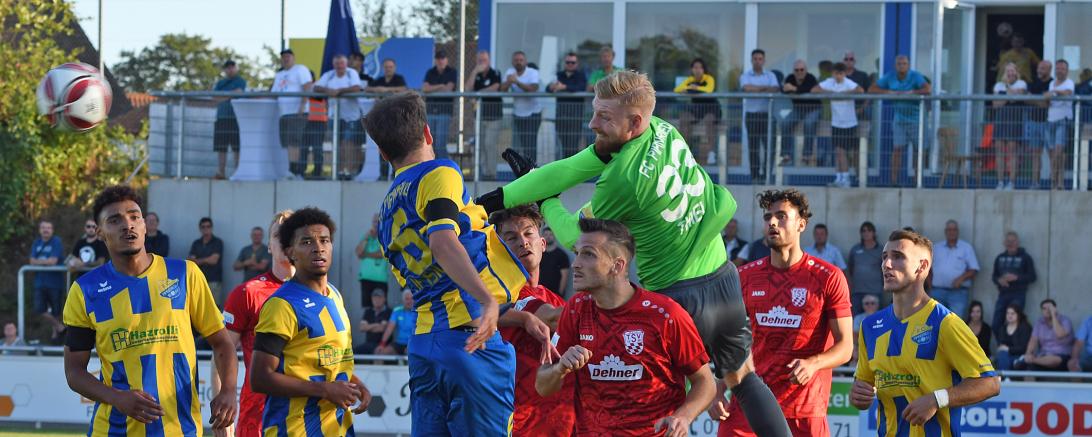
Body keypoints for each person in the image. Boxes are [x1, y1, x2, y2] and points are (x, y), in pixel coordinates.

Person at [479, 70, 791, 437]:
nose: (593, 123)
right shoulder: (662, 129)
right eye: (595, 112)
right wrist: (496, 199)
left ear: (634, 121)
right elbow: (573, 166)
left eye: (603, 117)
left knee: (644, 406)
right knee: (744, 377)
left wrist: (546, 201)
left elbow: (577, 237)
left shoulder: (622, 181)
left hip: (676, 297)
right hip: (722, 278)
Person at [365, 92, 526, 435]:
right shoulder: (440, 171)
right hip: (469, 339)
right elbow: (442, 241)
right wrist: (487, 300)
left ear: (382, 153)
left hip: (425, 341)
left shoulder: (388, 208)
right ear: (428, 133)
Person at [62, 185, 238, 435]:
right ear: (100, 232)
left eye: (134, 216)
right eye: (115, 220)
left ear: (145, 225)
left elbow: (222, 343)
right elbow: (74, 372)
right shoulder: (85, 290)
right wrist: (117, 398)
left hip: (181, 429)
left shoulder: (185, 274)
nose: (128, 225)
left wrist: (229, 390)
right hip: (113, 430)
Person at [536, 219, 715, 437]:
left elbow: (706, 382)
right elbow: (543, 386)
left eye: (588, 254)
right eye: (577, 252)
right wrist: (559, 368)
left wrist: (683, 416)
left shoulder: (666, 314)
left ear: (617, 266)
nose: (575, 263)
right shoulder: (576, 309)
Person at [721, 190, 852, 437]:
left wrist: (813, 364)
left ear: (802, 224)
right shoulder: (744, 277)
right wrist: (717, 385)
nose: (772, 222)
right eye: (768, 216)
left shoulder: (828, 277)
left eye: (781, 216)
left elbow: (845, 347)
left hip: (804, 408)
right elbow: (728, 339)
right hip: (751, 403)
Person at [850, 229, 1000, 436]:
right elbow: (862, 386)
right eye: (885, 257)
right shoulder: (870, 326)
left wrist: (937, 399)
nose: (887, 264)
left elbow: (990, 383)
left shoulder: (945, 323)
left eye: (898, 257)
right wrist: (857, 396)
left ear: (922, 266)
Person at [250, 208, 370, 435]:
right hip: (294, 428)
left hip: (337, 427)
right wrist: (324, 390)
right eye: (306, 242)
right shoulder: (282, 305)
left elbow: (322, 362)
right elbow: (260, 378)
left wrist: (355, 382)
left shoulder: (334, 295)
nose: (318, 247)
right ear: (290, 252)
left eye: (324, 240)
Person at [491, 205, 573, 436]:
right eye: (511, 237)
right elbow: (555, 319)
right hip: (518, 426)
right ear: (500, 250)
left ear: (543, 243)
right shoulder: (502, 296)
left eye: (528, 234)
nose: (523, 242)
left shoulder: (556, 299)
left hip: (563, 423)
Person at [220, 210, 294, 437]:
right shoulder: (247, 293)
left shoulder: (324, 295)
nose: (283, 238)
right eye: (276, 234)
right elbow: (222, 351)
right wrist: (223, 416)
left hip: (305, 414)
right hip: (257, 417)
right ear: (269, 246)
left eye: (290, 234)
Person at [869, 55, 932, 186]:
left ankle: (917, 181)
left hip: (917, 120)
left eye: (904, 64)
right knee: (897, 149)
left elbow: (928, 89)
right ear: (895, 65)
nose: (901, 66)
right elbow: (872, 89)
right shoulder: (890, 76)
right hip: (899, 120)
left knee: (918, 150)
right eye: (899, 64)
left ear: (908, 65)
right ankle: (893, 181)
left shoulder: (915, 76)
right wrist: (889, 92)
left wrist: (912, 92)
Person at [314, 54, 366, 180]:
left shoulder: (351, 73)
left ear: (346, 64)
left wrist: (339, 91)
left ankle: (348, 170)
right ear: (333, 64)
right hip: (334, 116)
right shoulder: (329, 74)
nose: (339, 66)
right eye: (337, 63)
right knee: (336, 144)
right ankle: (338, 170)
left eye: (341, 63)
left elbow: (356, 88)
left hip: (351, 116)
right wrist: (328, 91)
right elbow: (316, 87)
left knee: (349, 144)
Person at [813, 62, 864, 187]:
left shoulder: (848, 83)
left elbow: (860, 90)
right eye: (836, 73)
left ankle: (846, 179)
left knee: (847, 153)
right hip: (836, 123)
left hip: (850, 123)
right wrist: (830, 93)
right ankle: (839, 178)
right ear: (832, 73)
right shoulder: (830, 82)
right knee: (838, 152)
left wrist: (846, 93)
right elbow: (814, 90)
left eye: (841, 73)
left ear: (845, 74)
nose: (838, 76)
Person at [740, 49, 782, 183]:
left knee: (770, 147)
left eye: (760, 59)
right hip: (751, 115)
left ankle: (766, 175)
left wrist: (756, 89)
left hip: (767, 116)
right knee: (753, 147)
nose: (757, 61)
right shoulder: (745, 75)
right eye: (755, 59)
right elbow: (746, 88)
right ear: (751, 60)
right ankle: (755, 176)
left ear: (764, 60)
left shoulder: (770, 75)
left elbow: (775, 89)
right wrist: (764, 89)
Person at [271, 49, 313, 179]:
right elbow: (273, 93)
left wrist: (302, 105)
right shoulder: (279, 74)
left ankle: (296, 171)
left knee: (295, 142)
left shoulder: (300, 69)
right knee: (288, 143)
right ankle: (291, 170)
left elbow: (307, 86)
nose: (286, 59)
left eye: (288, 56)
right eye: (283, 57)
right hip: (284, 113)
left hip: (297, 112)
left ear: (293, 58)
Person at [674, 58, 720, 165]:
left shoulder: (709, 78)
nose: (697, 70)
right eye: (695, 67)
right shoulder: (690, 80)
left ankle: (711, 153)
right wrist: (690, 87)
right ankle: (685, 152)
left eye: (700, 67)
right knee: (684, 118)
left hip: (711, 108)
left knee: (709, 121)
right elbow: (677, 89)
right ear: (692, 69)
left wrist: (696, 88)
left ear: (704, 69)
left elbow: (709, 89)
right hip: (697, 109)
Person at [930, 219, 979, 318]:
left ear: (958, 231)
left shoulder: (966, 248)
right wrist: (929, 286)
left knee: (955, 323)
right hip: (937, 292)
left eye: (954, 230)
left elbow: (974, 269)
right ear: (945, 232)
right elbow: (928, 268)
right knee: (936, 321)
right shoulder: (936, 248)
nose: (951, 232)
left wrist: (960, 279)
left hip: (958, 293)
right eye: (949, 230)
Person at [990, 231, 1036, 335]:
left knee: (1014, 323)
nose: (1010, 243)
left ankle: (1013, 349)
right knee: (996, 324)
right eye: (1008, 241)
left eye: (1013, 241)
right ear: (1004, 243)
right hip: (1003, 294)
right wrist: (999, 280)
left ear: (1018, 242)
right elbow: (994, 276)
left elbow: (1032, 277)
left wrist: (1016, 278)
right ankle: (1002, 346)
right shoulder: (999, 257)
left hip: (1018, 295)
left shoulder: (1025, 257)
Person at [468, 50, 503, 180]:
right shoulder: (476, 75)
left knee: (489, 143)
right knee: (480, 144)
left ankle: (491, 173)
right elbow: (468, 89)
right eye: (480, 60)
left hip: (494, 116)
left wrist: (478, 93)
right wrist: (474, 72)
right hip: (479, 116)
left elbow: (495, 87)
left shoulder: (495, 73)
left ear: (489, 61)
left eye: (484, 60)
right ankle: (483, 172)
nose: (482, 62)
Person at [991, 63, 1027, 190]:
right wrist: (1009, 95)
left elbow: (1013, 99)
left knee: (1013, 152)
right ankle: (1000, 182)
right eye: (1007, 71)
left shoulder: (1021, 83)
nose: (1010, 73)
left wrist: (1006, 91)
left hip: (1014, 120)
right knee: (999, 151)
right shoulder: (998, 85)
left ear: (1017, 72)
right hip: (1000, 120)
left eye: (1012, 71)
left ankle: (1011, 182)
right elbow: (995, 104)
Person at [501, 51, 543, 159]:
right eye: (516, 60)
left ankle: (533, 170)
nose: (518, 62)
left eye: (521, 60)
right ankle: (523, 170)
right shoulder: (510, 72)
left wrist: (516, 82)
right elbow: (502, 90)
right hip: (518, 113)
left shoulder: (532, 72)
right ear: (512, 62)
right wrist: (509, 82)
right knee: (520, 144)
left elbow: (533, 89)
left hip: (533, 113)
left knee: (530, 143)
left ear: (526, 62)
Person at [29, 220, 65, 342]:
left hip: (54, 282)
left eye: (48, 228)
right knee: (39, 308)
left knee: (56, 311)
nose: (46, 230)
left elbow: (53, 261)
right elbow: (31, 261)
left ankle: (56, 338)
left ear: (52, 230)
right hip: (40, 282)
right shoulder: (36, 242)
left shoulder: (56, 241)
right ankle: (60, 327)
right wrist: (45, 262)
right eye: (43, 227)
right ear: (40, 230)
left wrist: (40, 262)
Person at [781, 60, 821, 167]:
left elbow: (809, 89)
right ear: (793, 71)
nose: (799, 72)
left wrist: (794, 89)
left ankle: (807, 155)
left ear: (806, 70)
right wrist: (798, 90)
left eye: (802, 69)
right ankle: (786, 154)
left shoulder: (811, 78)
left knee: (808, 123)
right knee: (785, 123)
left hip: (814, 109)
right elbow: (783, 89)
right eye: (797, 70)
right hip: (798, 109)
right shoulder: (790, 77)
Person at [549, 52, 589, 158]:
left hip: (575, 117)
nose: (570, 64)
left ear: (577, 63)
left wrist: (564, 87)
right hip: (561, 116)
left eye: (573, 62)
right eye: (568, 62)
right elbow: (548, 88)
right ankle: (564, 171)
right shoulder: (559, 75)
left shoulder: (580, 75)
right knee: (563, 146)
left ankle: (572, 172)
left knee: (573, 147)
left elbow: (581, 87)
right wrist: (552, 87)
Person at [1017, 298, 1074, 371]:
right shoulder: (1039, 322)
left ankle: (1032, 360)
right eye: (1044, 308)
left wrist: (1053, 316)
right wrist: (1028, 353)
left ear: (1055, 309)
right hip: (1044, 355)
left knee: (1054, 360)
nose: (1047, 310)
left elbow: (1060, 334)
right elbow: (1033, 340)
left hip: (1061, 356)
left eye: (1049, 308)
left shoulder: (1065, 320)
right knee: (1029, 370)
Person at [213, 59, 247, 179]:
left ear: (236, 68)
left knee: (236, 147)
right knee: (221, 147)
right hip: (221, 118)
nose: (230, 69)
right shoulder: (220, 83)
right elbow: (215, 98)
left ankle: (237, 172)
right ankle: (221, 172)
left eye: (232, 67)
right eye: (228, 67)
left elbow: (239, 92)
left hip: (235, 118)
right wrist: (230, 95)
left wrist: (224, 95)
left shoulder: (240, 81)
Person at [423, 51, 458, 160]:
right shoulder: (430, 72)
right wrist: (441, 86)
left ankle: (444, 167)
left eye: (443, 58)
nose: (440, 61)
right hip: (430, 111)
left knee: (440, 144)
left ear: (446, 60)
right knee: (430, 143)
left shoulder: (452, 71)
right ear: (435, 60)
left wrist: (432, 88)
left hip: (444, 112)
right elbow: (425, 89)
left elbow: (449, 89)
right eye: (438, 58)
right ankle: (432, 168)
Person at [1047, 59, 1075, 190]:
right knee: (1053, 153)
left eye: (1062, 69)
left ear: (1067, 70)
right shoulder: (1051, 83)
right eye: (1058, 68)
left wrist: (1055, 92)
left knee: (1059, 152)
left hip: (1063, 120)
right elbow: (1049, 99)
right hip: (1050, 120)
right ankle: (1054, 181)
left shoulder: (1069, 82)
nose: (1060, 71)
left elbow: (1067, 93)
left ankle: (1059, 181)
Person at [1026, 60, 1053, 189]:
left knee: (1053, 153)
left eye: (1042, 68)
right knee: (1035, 155)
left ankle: (1054, 182)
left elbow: (1046, 104)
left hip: (1048, 122)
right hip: (1034, 121)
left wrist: (1034, 99)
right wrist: (1040, 99)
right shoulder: (1033, 83)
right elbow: (1028, 100)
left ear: (1049, 70)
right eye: (1038, 68)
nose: (1039, 71)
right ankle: (1035, 182)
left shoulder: (1052, 84)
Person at [847, 221, 883, 315]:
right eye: (863, 231)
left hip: (875, 291)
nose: (866, 233)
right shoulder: (855, 249)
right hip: (858, 291)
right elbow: (850, 267)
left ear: (874, 233)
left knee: (876, 321)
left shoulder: (881, 250)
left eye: (869, 230)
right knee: (856, 320)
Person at [188, 217, 225, 307]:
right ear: (200, 228)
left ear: (211, 227)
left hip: (213, 280)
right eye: (203, 227)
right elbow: (190, 262)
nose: (206, 229)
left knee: (214, 307)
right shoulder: (196, 243)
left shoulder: (217, 242)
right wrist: (206, 259)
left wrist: (198, 260)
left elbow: (213, 260)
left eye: (208, 226)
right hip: (198, 280)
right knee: (199, 307)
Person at [355, 213, 388, 308]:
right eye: (374, 222)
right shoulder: (366, 236)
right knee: (367, 307)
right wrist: (366, 238)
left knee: (382, 307)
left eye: (378, 222)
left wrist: (365, 255)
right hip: (366, 277)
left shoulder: (385, 236)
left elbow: (381, 254)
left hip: (380, 278)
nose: (376, 224)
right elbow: (358, 252)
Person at [376, 290, 416, 355]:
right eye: (407, 299)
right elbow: (389, 329)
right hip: (399, 343)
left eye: (411, 299)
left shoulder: (419, 312)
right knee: (380, 352)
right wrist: (382, 344)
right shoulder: (397, 310)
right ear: (403, 300)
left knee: (410, 352)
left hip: (413, 343)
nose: (409, 301)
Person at [993, 303, 1032, 371]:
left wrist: (1008, 349)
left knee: (1005, 357)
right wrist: (1004, 349)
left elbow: (1023, 348)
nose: (1009, 315)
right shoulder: (1003, 328)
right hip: (1005, 356)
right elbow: (1001, 346)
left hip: (1020, 356)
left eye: (1012, 313)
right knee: (1002, 354)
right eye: (1008, 313)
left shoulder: (1025, 327)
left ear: (1018, 315)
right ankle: (1006, 378)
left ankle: (1005, 378)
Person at [355, 289, 392, 355]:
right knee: (352, 353)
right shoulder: (368, 311)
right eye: (375, 298)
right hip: (368, 343)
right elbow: (362, 328)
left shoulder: (388, 311)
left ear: (384, 299)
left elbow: (382, 328)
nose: (377, 300)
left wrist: (368, 326)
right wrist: (376, 325)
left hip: (382, 344)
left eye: (379, 298)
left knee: (378, 352)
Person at [538, 227, 571, 298]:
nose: (548, 237)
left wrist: (560, 294)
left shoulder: (561, 255)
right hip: (542, 293)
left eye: (550, 235)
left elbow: (565, 276)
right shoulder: (540, 254)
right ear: (542, 237)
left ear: (554, 236)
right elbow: (537, 272)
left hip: (556, 294)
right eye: (546, 235)